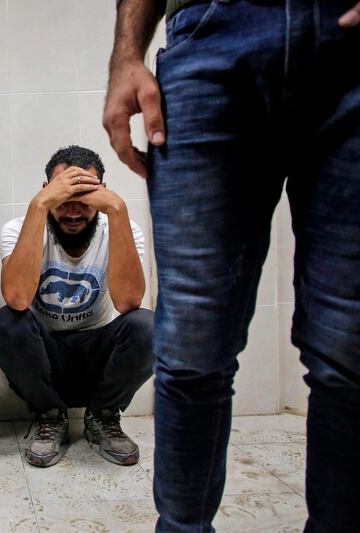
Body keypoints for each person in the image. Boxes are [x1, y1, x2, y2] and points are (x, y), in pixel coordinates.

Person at [104, 1, 360, 530]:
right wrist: (125, 54)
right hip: (209, 33)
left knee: (350, 343)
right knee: (190, 346)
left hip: (348, 38)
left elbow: (129, 301)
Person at [0, 145, 153, 468]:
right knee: (6, 321)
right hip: (47, 359)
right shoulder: (18, 228)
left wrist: (117, 209)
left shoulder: (123, 228)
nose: (73, 212)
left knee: (151, 326)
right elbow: (18, 298)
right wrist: (39, 206)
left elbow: (129, 302)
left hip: (99, 357)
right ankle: (50, 416)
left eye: (85, 199)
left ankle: (103, 416)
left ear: (101, 195)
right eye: (63, 199)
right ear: (47, 192)